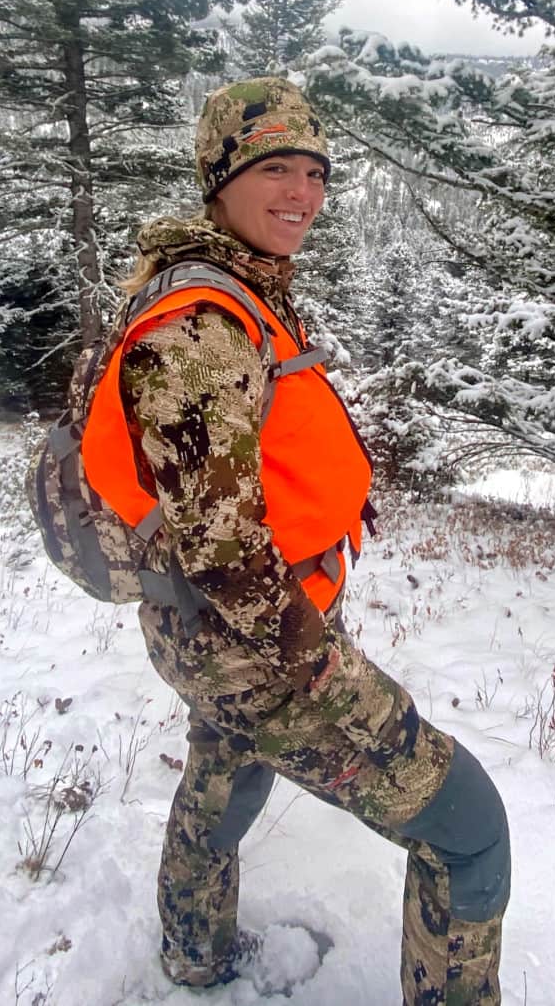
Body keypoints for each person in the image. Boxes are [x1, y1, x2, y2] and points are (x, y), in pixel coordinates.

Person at [86, 78, 511, 1003]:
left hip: (211, 637)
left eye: (315, 172)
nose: (302, 193)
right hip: (259, 646)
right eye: (275, 167)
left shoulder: (232, 289)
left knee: (224, 777)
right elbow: (224, 553)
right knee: (469, 833)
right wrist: (320, 671)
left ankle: (193, 954)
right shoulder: (201, 326)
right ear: (220, 178)